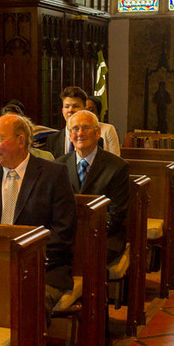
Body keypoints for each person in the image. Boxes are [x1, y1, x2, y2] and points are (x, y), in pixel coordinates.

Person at [0, 113, 77, 320]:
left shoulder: (54, 174)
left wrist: (25, 261)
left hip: (43, 269)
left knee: (27, 302)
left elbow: (63, 232)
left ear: (21, 141)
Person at [56, 110, 129, 263]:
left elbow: (116, 213)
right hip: (67, 236)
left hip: (105, 236)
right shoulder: (58, 166)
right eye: (75, 129)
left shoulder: (117, 167)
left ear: (97, 133)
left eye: (86, 128)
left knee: (90, 256)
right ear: (70, 135)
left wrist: (86, 236)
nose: (80, 133)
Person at [44, 86, 89, 157]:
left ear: (85, 110)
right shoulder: (52, 140)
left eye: (76, 106)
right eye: (67, 106)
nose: (70, 110)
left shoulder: (92, 138)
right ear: (62, 110)